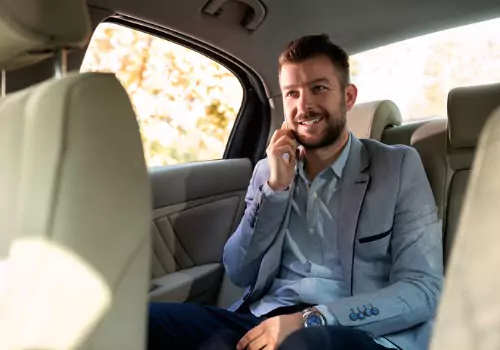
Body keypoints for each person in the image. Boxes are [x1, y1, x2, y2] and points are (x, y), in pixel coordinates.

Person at [147, 34, 443, 350]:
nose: (304, 105)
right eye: (292, 93)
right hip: (265, 323)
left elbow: (423, 289)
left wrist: (312, 320)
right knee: (145, 321)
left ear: (348, 97)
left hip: (355, 331)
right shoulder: (269, 171)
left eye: (318, 88)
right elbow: (238, 270)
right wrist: (275, 190)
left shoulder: (396, 166)